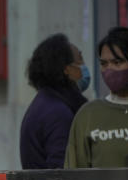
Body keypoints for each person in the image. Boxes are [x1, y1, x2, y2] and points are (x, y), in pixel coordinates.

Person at [64, 27, 128, 168]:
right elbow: (74, 174)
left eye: (117, 62)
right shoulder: (88, 115)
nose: (109, 70)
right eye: (104, 64)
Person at [19, 34, 90, 169]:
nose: (84, 67)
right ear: (67, 70)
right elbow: (61, 171)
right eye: (80, 60)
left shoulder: (45, 103)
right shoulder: (58, 113)